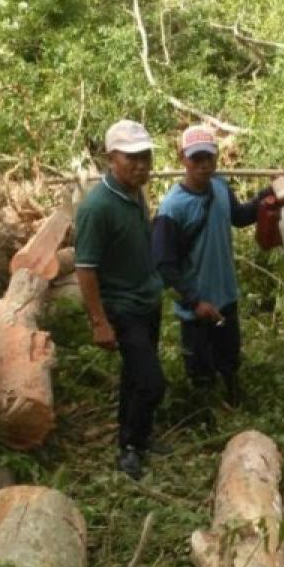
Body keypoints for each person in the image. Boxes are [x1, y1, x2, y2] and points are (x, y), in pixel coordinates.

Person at [74, 119, 168, 480]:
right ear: (111, 157)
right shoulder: (97, 208)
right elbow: (85, 268)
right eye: (132, 158)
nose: (142, 165)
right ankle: (129, 447)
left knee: (134, 375)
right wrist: (99, 321)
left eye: (145, 157)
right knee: (150, 381)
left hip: (147, 299)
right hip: (122, 307)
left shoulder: (135, 193)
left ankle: (136, 439)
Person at [152, 126, 266, 409]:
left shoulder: (220, 187)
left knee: (229, 361)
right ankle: (204, 417)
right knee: (200, 371)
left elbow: (239, 217)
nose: (204, 165)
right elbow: (165, 265)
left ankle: (233, 405)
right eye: (197, 158)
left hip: (226, 295)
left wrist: (268, 196)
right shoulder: (172, 209)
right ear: (183, 158)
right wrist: (194, 301)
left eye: (209, 159)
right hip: (197, 307)